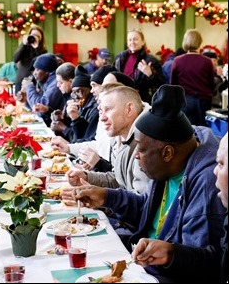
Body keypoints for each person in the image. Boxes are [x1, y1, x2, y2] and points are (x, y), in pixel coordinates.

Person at [73, 84, 226, 282]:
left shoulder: (206, 184)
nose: (136, 156)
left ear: (167, 153)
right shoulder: (169, 167)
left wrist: (171, 254)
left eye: (142, 150)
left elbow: (205, 265)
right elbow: (149, 210)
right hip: (142, 262)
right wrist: (106, 196)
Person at [131, 132, 228, 283]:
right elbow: (215, 262)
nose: (215, 171)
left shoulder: (204, 182)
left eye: (221, 164)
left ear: (168, 153)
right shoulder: (163, 173)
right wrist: (171, 253)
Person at [171, 29, 215, 126]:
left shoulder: (177, 60)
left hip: (185, 100)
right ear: (200, 42)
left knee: (187, 130)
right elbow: (211, 83)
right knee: (204, 130)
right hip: (204, 100)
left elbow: (173, 84)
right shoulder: (207, 61)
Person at [114, 28, 165, 104]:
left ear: (143, 42)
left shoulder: (151, 60)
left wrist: (150, 74)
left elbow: (161, 84)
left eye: (135, 39)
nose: (132, 42)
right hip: (121, 98)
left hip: (141, 101)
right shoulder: (119, 57)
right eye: (130, 40)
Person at [52, 65, 98, 143]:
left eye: (78, 91)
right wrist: (63, 119)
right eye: (74, 92)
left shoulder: (95, 109)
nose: (75, 97)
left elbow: (82, 139)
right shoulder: (79, 103)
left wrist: (64, 127)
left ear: (89, 91)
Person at [24, 53, 65, 126]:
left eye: (38, 69)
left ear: (47, 71)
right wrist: (25, 99)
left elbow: (40, 107)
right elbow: (34, 107)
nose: (34, 73)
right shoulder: (44, 81)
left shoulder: (55, 83)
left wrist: (29, 87)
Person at [13, 24, 47, 94]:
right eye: (33, 35)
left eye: (38, 36)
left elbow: (41, 64)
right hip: (21, 80)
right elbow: (15, 59)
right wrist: (23, 44)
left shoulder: (43, 51)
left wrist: (36, 48)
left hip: (35, 82)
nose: (35, 37)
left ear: (41, 38)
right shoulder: (24, 47)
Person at [50, 62, 75, 139]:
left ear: (71, 82)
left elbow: (79, 137)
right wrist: (61, 118)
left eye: (60, 82)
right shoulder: (67, 95)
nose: (58, 85)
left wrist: (63, 128)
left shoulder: (77, 100)